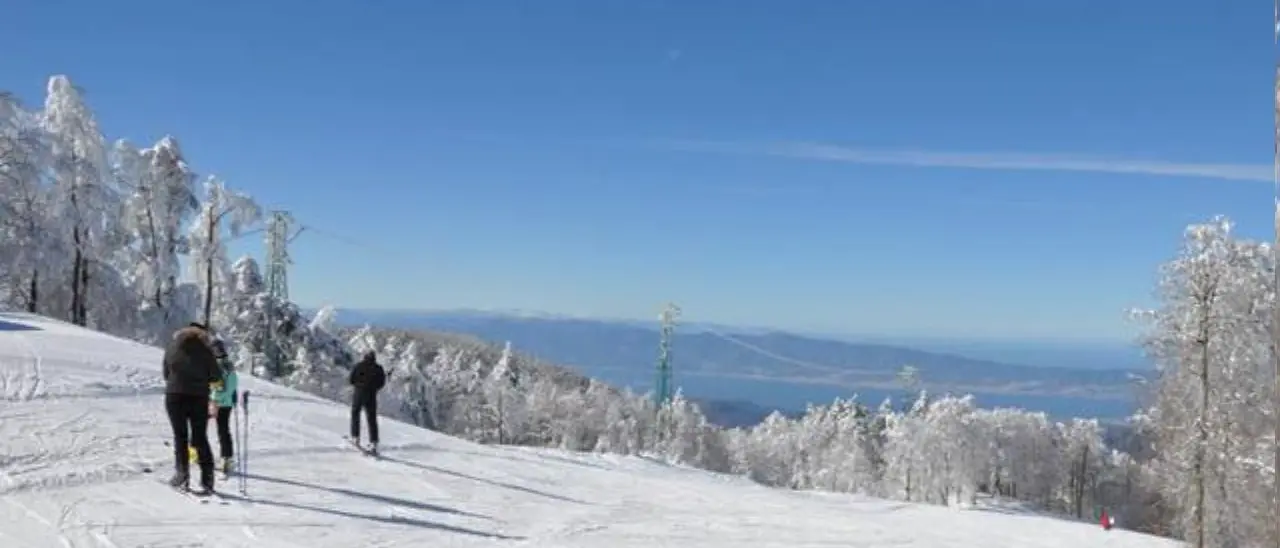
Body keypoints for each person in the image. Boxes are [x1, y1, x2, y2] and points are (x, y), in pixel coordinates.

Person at [162, 322, 223, 493]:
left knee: (180, 436)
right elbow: (216, 376)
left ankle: (182, 475)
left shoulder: (172, 347)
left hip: (175, 395)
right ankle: (207, 479)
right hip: (198, 397)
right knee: (199, 437)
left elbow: (166, 373)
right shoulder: (205, 351)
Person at [207, 338, 238, 476]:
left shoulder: (218, 366)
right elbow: (232, 385)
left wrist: (214, 400)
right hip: (227, 403)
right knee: (223, 430)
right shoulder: (229, 365)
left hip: (216, 402)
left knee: (199, 425)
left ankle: (196, 452)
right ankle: (227, 457)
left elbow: (217, 386)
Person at [348, 351, 386, 454]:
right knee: (371, 418)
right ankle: (374, 442)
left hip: (359, 392)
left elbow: (351, 380)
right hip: (371, 395)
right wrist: (374, 388)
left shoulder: (358, 366)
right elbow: (381, 383)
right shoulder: (378, 368)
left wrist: (358, 384)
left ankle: (355, 437)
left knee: (355, 413)